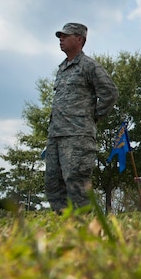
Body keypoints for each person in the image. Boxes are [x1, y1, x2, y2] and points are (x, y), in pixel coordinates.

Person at [45, 23, 119, 212]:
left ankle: (86, 230)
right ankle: (64, 230)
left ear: (79, 39)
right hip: (56, 135)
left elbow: (110, 93)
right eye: (60, 36)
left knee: (76, 184)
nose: (61, 39)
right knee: (53, 184)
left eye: (65, 36)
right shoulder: (62, 68)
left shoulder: (89, 66)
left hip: (78, 136)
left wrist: (92, 117)